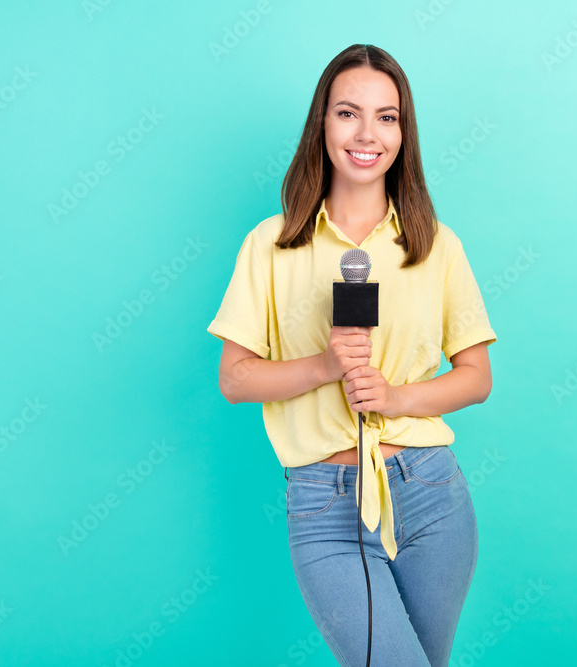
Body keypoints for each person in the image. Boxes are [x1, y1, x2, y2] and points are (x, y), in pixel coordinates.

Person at [207, 43, 497, 666]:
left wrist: (395, 397)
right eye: (348, 113)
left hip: (430, 495)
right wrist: (323, 365)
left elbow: (476, 378)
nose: (368, 133)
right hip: (324, 501)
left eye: (387, 117)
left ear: (403, 133)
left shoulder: (436, 246)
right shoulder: (270, 244)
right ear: (323, 123)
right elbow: (234, 378)